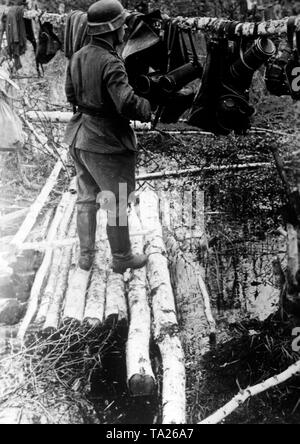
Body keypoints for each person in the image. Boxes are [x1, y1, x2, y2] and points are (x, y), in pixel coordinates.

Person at [64, 0, 152, 274]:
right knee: (118, 198)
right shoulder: (111, 62)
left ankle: (86, 256)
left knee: (87, 197)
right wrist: (148, 106)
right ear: (113, 29)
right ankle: (122, 257)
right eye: (123, 23)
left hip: (79, 136)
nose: (126, 28)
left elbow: (70, 95)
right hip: (107, 142)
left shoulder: (78, 55)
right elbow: (126, 104)